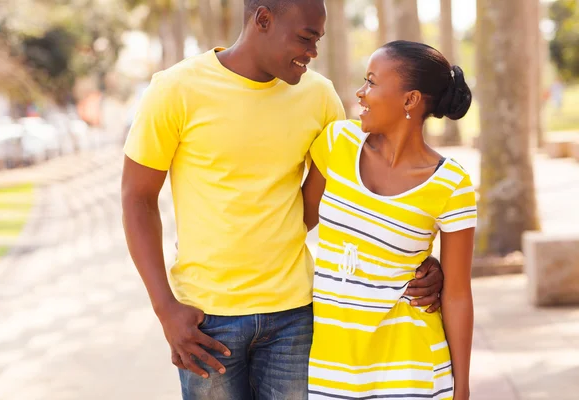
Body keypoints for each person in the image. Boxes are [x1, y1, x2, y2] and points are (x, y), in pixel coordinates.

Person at [121, 1, 444, 398]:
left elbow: (355, 198)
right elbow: (137, 198)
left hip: (295, 315)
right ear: (263, 20)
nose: (313, 52)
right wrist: (165, 308)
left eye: (318, 40)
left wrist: (419, 262)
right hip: (206, 321)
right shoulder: (176, 89)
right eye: (306, 38)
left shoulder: (319, 97)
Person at [302, 40, 476, 400]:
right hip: (332, 368)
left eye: (372, 82)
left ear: (410, 100)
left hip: (413, 370)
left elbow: (458, 294)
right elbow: (296, 220)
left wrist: (462, 390)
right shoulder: (338, 143)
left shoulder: (451, 184)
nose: (360, 93)